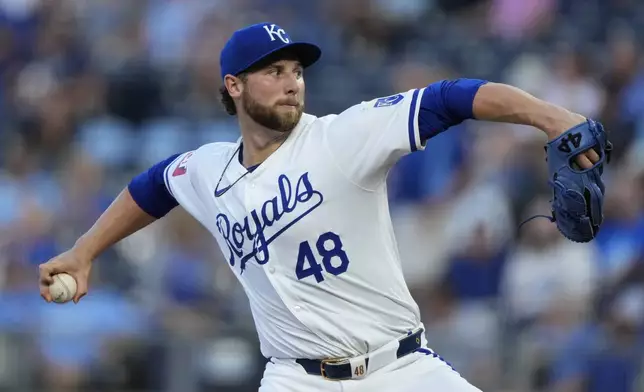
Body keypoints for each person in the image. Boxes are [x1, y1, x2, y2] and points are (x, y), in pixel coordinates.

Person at [38, 22, 601, 391]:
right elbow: (154, 185)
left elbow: (450, 97)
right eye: (273, 72)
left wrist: (550, 117)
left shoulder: (343, 136)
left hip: (398, 368)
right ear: (233, 86)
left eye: (296, 71)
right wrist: (85, 251)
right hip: (294, 380)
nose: (291, 83)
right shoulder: (209, 168)